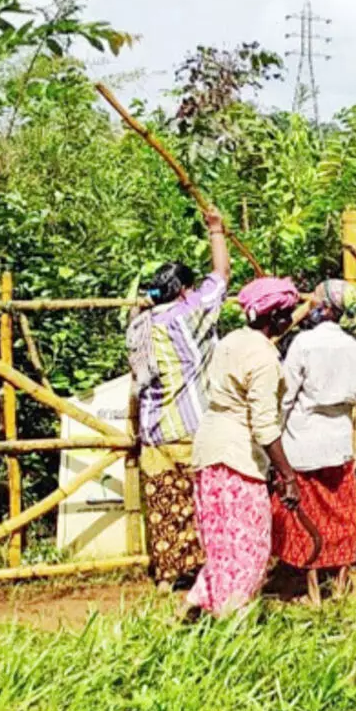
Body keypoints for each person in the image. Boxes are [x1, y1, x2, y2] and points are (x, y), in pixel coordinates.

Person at [181, 278, 302, 620]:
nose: (290, 319)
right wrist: (288, 476)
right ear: (275, 317)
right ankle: (231, 624)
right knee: (248, 548)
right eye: (288, 313)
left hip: (209, 447)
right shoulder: (264, 359)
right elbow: (264, 426)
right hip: (237, 456)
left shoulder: (231, 341)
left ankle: (193, 611)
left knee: (222, 544)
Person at [125, 208, 230, 591]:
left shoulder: (139, 325)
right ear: (185, 289)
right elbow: (220, 278)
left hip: (153, 428)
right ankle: (205, 571)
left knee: (165, 505)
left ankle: (167, 577)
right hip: (191, 425)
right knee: (202, 502)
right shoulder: (192, 316)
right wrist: (215, 230)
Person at [272, 280, 356, 604]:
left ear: (327, 309)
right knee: (342, 515)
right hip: (339, 443)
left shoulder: (304, 343)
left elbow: (286, 398)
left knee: (308, 517)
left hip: (302, 441)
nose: (310, 305)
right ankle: (341, 585)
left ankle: (313, 592)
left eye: (315, 300)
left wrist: (272, 435)